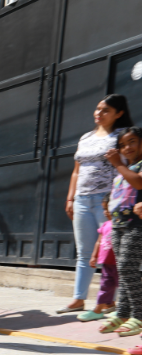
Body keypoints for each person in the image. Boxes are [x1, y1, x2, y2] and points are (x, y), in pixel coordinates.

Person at [60, 94, 133, 315]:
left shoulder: (122, 136)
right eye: (98, 109)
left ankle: (113, 302)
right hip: (82, 198)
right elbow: (76, 171)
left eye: (105, 110)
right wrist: (70, 197)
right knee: (84, 251)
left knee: (112, 251)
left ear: (118, 114)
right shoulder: (85, 137)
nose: (98, 114)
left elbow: (129, 164)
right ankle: (79, 299)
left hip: (109, 201)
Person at [99, 126, 142, 337]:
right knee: (124, 271)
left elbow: (139, 182)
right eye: (123, 145)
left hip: (137, 224)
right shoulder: (124, 170)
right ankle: (124, 312)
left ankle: (139, 315)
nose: (127, 147)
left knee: (127, 267)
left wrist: (117, 164)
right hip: (118, 225)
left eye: (132, 142)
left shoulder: (135, 168)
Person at [79, 195, 117, 322]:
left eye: (108, 209)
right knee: (105, 286)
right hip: (107, 263)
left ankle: (123, 311)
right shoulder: (106, 225)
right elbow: (98, 241)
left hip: (119, 263)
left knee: (124, 287)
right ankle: (98, 310)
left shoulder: (122, 224)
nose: (105, 212)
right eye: (104, 209)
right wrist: (94, 256)